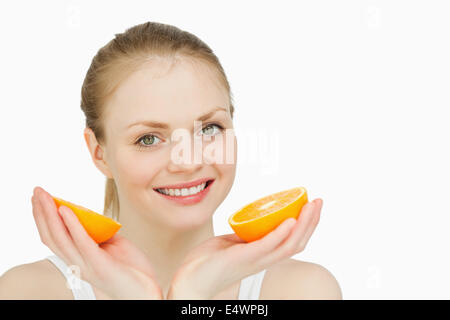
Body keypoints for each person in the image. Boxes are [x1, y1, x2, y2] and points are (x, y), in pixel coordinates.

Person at [0, 21, 342, 300]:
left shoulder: (301, 290)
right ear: (98, 152)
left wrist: (193, 296)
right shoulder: (30, 291)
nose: (188, 161)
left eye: (209, 128)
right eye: (149, 138)